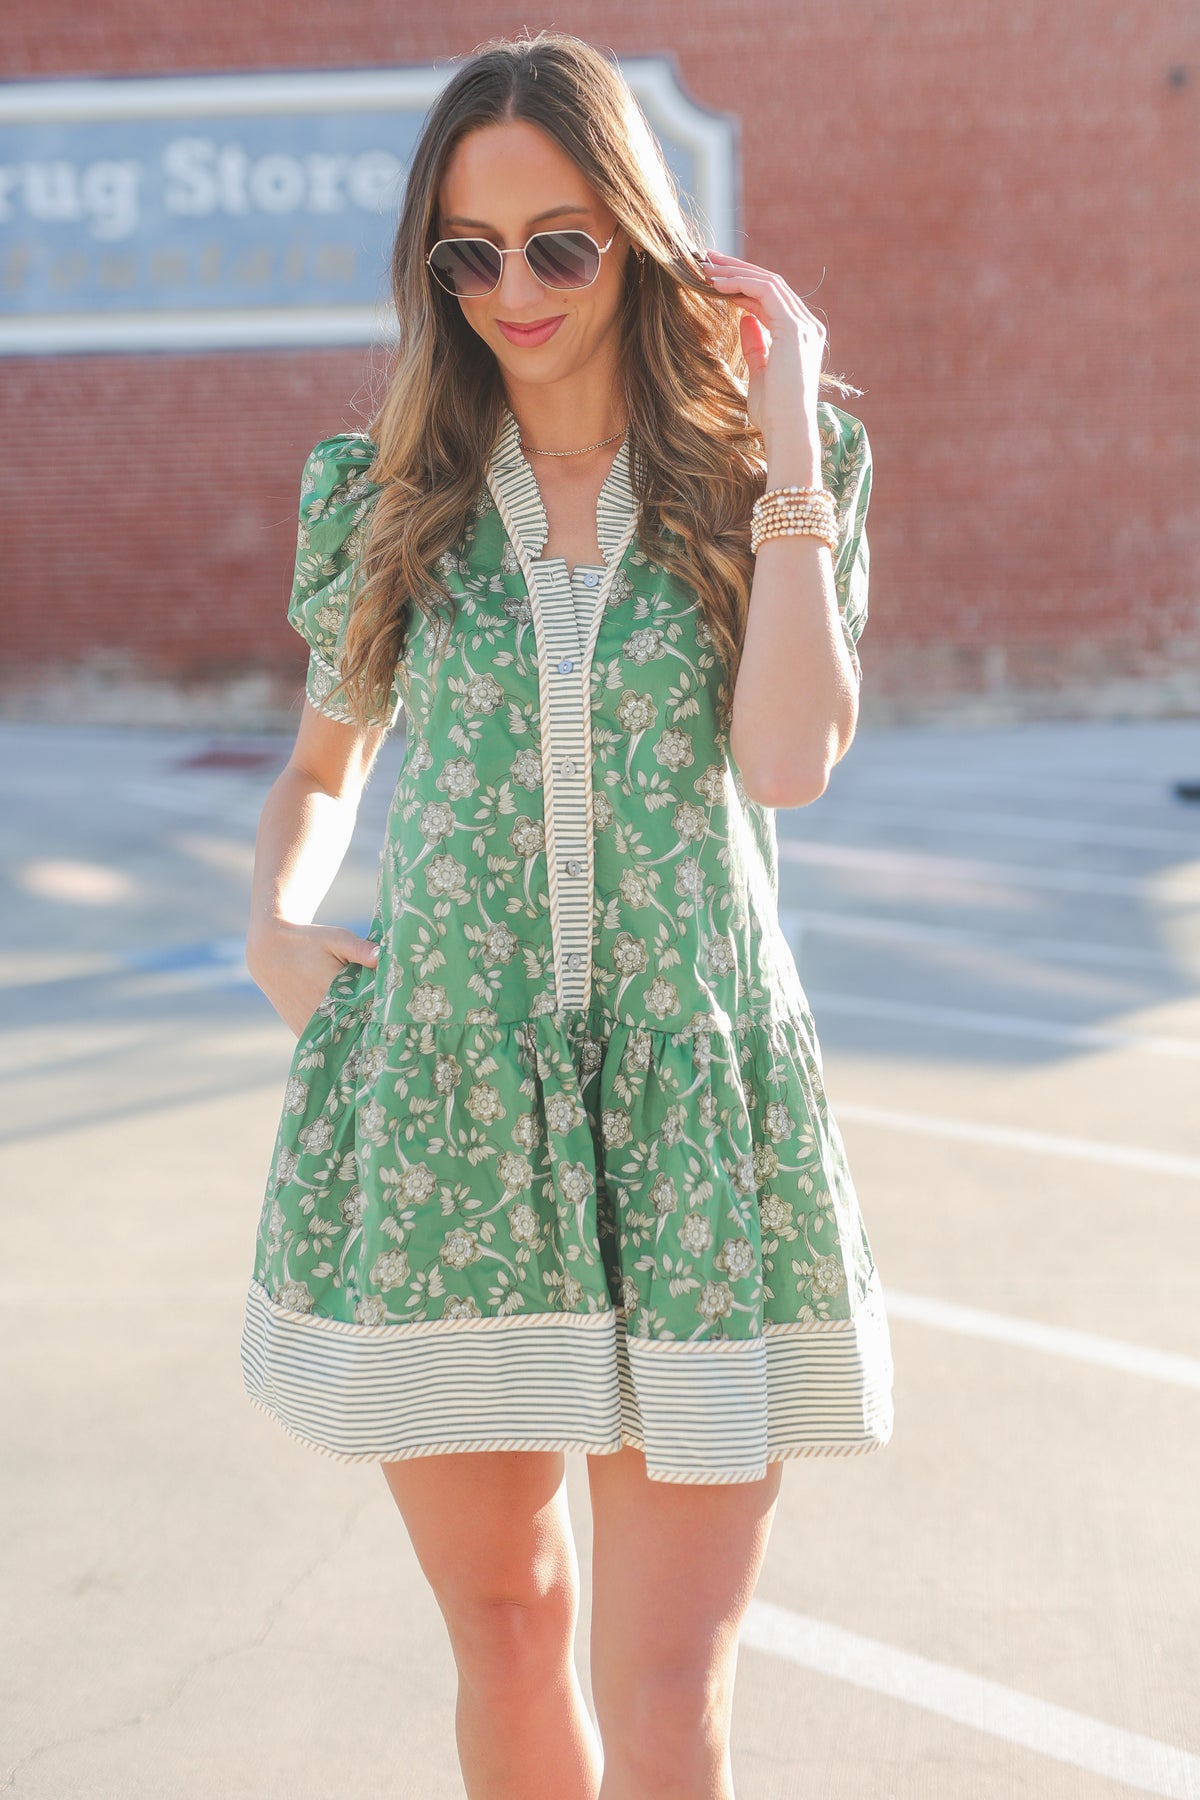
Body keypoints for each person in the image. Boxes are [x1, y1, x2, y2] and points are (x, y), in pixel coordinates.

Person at [240, 28, 894, 1800]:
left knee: (674, 1678)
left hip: (698, 1124)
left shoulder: (775, 482)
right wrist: (278, 926)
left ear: (639, 232)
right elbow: (319, 775)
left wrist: (785, 439)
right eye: (469, 251)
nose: (511, 288)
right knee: (512, 1623)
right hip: (451, 1119)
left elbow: (787, 764)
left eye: (558, 242)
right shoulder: (386, 501)